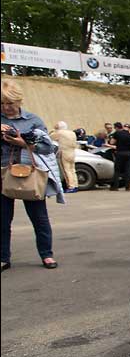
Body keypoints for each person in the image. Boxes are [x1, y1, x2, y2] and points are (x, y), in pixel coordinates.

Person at [1, 78, 65, 271]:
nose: (6, 108)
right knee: (2, 220)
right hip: (3, 175)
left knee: (39, 218)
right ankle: (3, 257)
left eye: (10, 103)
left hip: (30, 173)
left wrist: (21, 142)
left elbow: (48, 148)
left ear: (19, 101)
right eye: (2, 104)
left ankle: (47, 255)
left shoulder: (33, 120)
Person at [50, 121, 79, 193]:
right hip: (72, 152)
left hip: (64, 152)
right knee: (72, 169)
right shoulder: (72, 133)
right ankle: (75, 185)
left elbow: (50, 137)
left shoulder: (59, 133)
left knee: (66, 170)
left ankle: (71, 186)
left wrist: (53, 131)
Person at [109, 122, 130, 191]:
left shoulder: (117, 133)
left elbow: (112, 142)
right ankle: (127, 187)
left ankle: (115, 187)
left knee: (117, 170)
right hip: (127, 154)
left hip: (119, 153)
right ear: (129, 129)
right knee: (128, 170)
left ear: (123, 127)